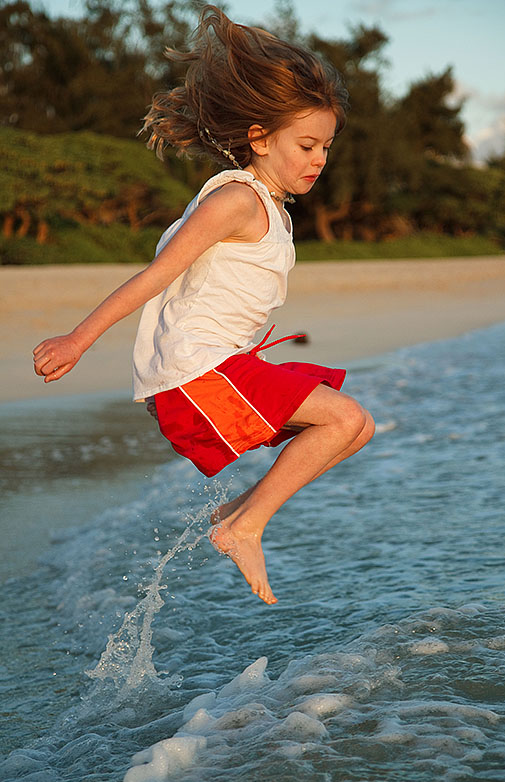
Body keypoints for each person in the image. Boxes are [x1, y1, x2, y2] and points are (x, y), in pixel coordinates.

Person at [33, 5, 375, 605]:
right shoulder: (238, 201)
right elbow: (156, 275)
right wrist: (77, 340)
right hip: (197, 372)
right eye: (307, 144)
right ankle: (243, 524)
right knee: (343, 418)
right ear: (260, 139)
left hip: (220, 367)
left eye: (326, 145)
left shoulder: (268, 204)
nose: (319, 158)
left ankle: (239, 511)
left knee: (358, 428)